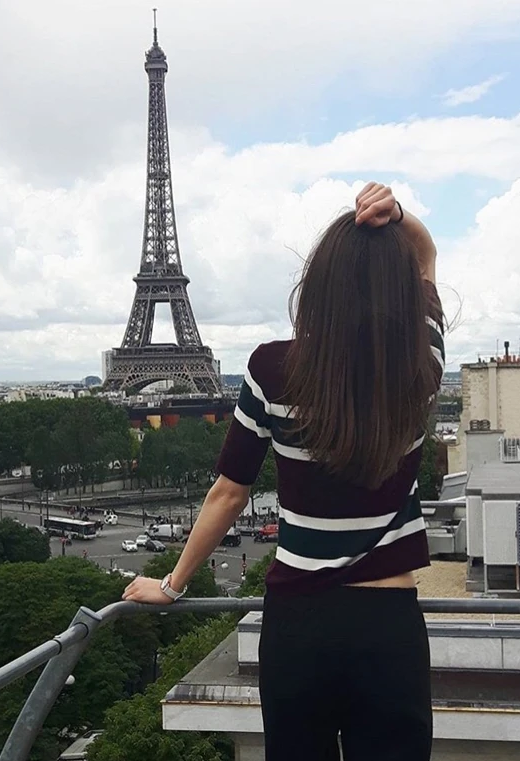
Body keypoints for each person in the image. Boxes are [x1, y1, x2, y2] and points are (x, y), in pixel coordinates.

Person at [123, 183, 444, 761]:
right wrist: (396, 216)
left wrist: (172, 585)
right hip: (388, 623)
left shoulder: (271, 368)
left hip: (298, 624)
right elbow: (426, 257)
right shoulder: (421, 365)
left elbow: (229, 493)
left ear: (317, 285)